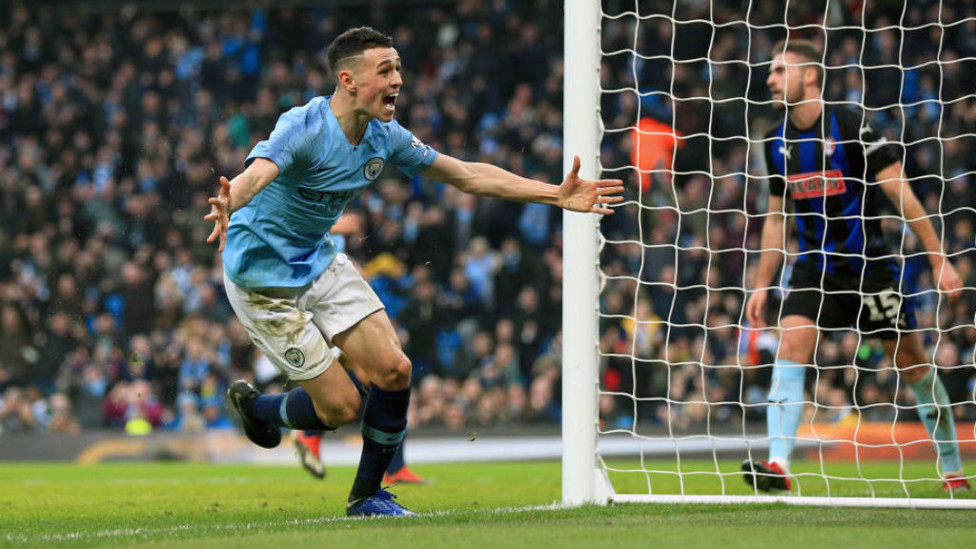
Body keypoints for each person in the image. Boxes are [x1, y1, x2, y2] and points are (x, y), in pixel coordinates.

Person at [205, 26, 623, 517]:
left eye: (398, 68)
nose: (398, 79)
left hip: (315, 259)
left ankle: (366, 497)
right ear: (349, 80)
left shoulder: (385, 137)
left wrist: (555, 193)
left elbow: (466, 175)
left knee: (395, 369)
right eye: (385, 70)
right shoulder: (303, 127)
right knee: (340, 408)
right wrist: (232, 198)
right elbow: (258, 173)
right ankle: (257, 410)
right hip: (261, 279)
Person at [742, 39, 970, 493]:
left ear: (809, 75)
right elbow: (774, 219)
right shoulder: (774, 141)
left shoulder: (850, 125)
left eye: (779, 70)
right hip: (812, 268)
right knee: (791, 343)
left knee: (912, 364)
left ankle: (951, 467)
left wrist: (940, 260)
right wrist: (762, 284)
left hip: (868, 268)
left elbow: (902, 196)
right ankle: (778, 465)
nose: (769, 79)